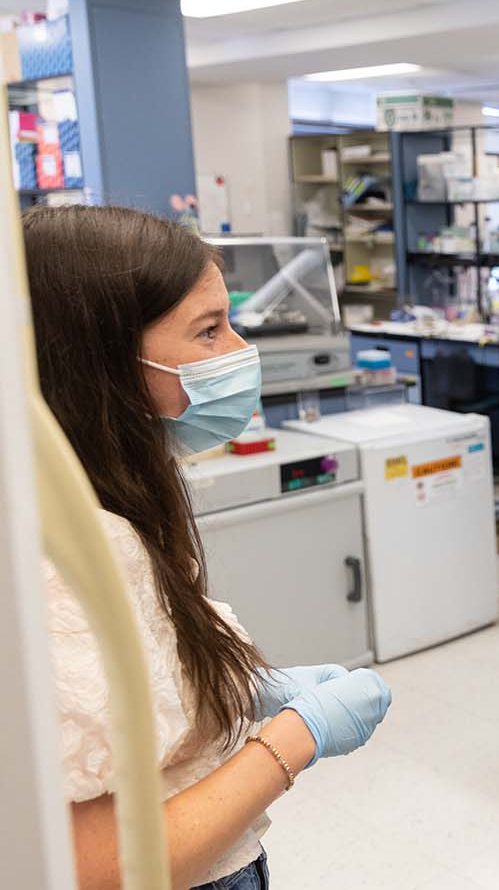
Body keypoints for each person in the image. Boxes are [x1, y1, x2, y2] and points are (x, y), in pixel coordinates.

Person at [24, 205, 394, 890]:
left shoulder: (108, 499)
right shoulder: (61, 561)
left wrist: (230, 688)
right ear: (99, 362)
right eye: (208, 331)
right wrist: (294, 736)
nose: (240, 350)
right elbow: (108, 868)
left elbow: (122, 697)